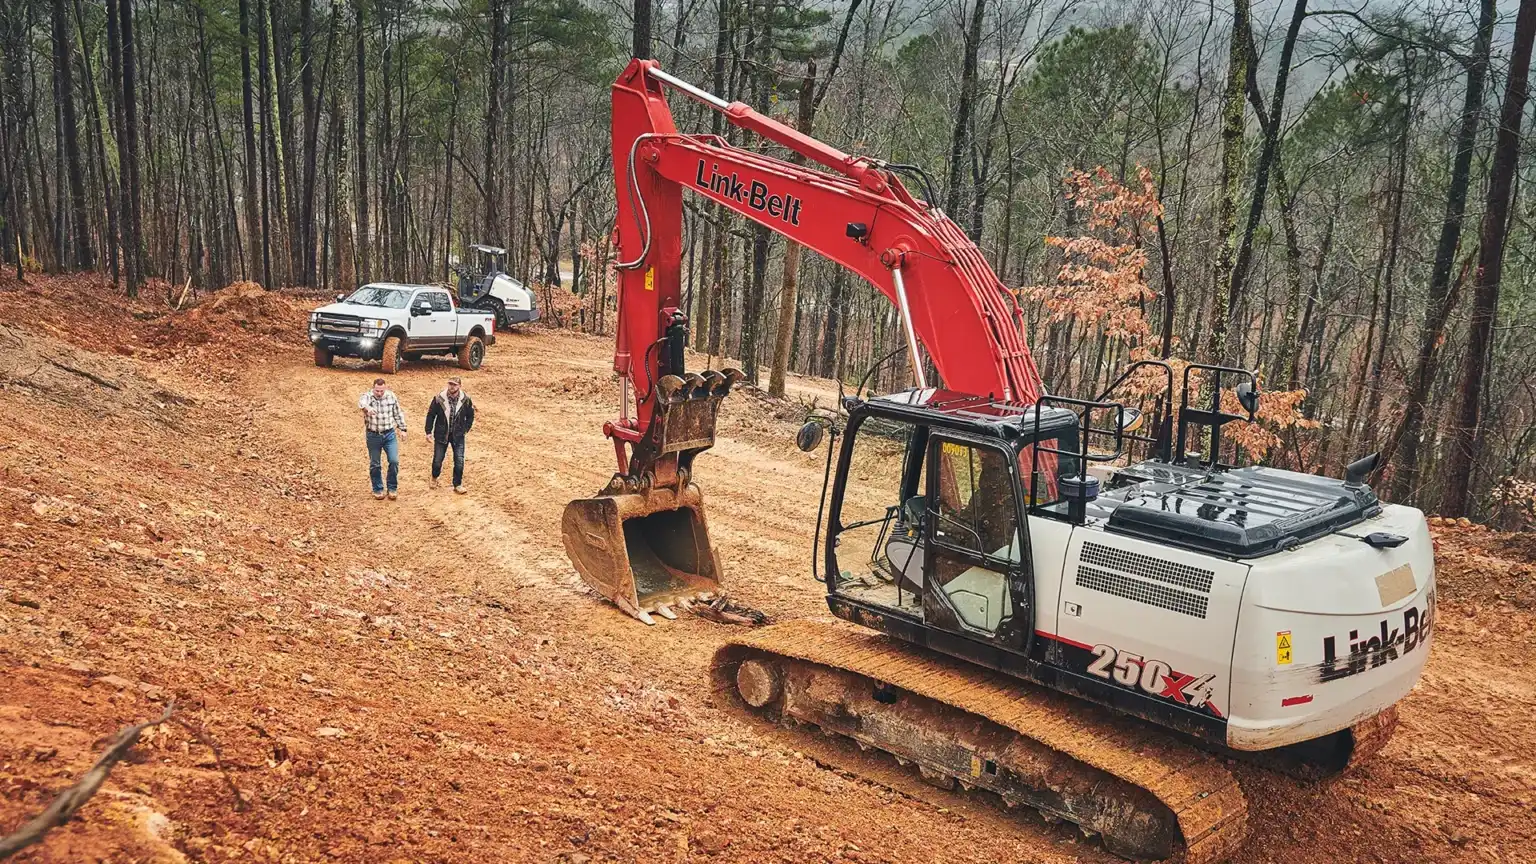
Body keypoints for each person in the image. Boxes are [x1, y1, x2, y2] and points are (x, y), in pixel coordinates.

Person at [425, 376, 475, 493]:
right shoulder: (439, 398)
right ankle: (434, 477)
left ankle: (457, 484)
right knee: (438, 460)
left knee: (459, 460)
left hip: (458, 435)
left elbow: (470, 415)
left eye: (454, 385)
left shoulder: (466, 400)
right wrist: (428, 431)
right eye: (450, 384)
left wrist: (466, 429)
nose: (452, 387)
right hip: (441, 434)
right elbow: (431, 415)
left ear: (459, 386)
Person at [358, 378, 407, 500]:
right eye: (377, 391)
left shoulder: (391, 397)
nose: (379, 393)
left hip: (389, 434)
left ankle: (392, 487)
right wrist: (367, 408)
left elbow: (397, 413)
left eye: (381, 391)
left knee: (394, 461)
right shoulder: (368, 396)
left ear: (385, 389)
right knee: (375, 464)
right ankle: (378, 488)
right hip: (373, 435)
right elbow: (361, 403)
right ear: (373, 389)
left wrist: (403, 428)